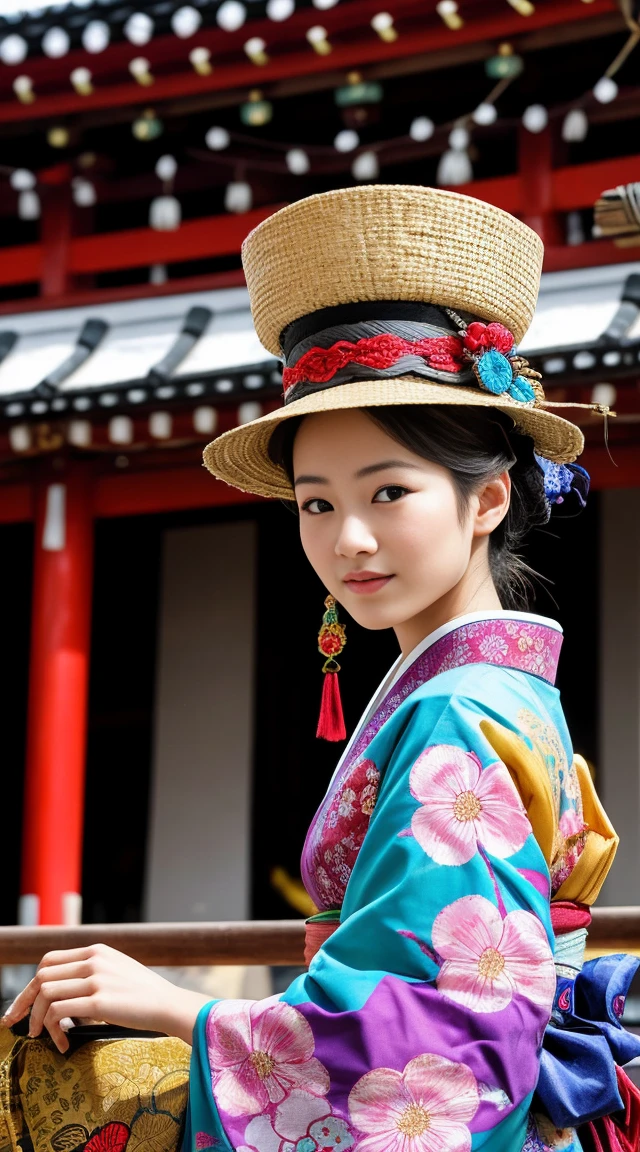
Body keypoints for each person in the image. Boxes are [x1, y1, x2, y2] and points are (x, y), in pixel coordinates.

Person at [2, 185, 639, 1152]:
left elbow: (438, 1048)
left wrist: (181, 1008)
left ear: (488, 500)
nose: (349, 539)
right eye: (314, 503)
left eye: (389, 491)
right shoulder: (490, 689)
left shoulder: (457, 716)